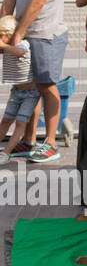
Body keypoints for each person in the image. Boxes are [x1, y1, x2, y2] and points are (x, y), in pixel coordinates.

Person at [1, 0, 67, 163]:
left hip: (47, 33)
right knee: (28, 87)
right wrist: (2, 30)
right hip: (26, 33)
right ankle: (28, 141)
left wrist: (18, 34)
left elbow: (38, 1)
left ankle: (50, 143)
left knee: (46, 84)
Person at [0, 14, 42, 162]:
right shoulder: (6, 47)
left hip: (31, 93)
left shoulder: (23, 44)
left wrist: (4, 45)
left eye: (1, 35)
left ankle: (6, 152)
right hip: (16, 91)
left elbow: (19, 52)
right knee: (6, 120)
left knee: (20, 123)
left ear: (10, 34)